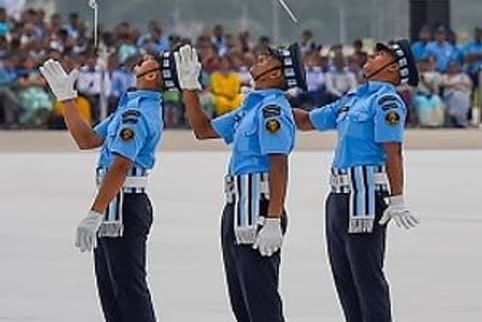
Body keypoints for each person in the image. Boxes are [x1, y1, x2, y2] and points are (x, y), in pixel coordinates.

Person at [294, 39, 421, 322]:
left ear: (393, 68)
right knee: (344, 278)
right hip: (339, 196)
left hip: (365, 197)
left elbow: (393, 151)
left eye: (379, 55)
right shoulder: (354, 98)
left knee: (367, 278)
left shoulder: (386, 102)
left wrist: (397, 198)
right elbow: (308, 120)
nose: (370, 56)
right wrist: (273, 103)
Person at [39, 50, 167, 322]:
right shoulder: (130, 106)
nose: (141, 59)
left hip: (123, 204)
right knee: (112, 292)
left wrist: (95, 212)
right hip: (114, 203)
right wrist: (67, 99)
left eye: (147, 60)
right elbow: (87, 140)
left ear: (152, 75)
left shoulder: (136, 113)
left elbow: (120, 166)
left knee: (128, 291)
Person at [181, 43, 301, 322]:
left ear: (276, 73)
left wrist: (273, 219)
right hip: (236, 206)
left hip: (260, 208)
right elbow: (203, 130)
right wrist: (189, 88)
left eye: (265, 59)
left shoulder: (272, 110)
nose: (258, 59)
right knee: (241, 300)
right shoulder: (250, 107)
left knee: (261, 301)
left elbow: (279, 164)